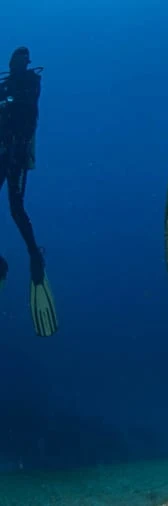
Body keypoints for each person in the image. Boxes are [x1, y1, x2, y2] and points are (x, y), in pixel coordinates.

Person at [0, 46, 58, 337]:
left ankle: (34, 255)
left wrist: (5, 100)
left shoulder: (30, 83)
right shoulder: (5, 84)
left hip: (16, 157)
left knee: (15, 207)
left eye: (20, 61)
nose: (15, 65)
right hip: (1, 153)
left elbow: (27, 107)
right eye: (13, 61)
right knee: (13, 208)